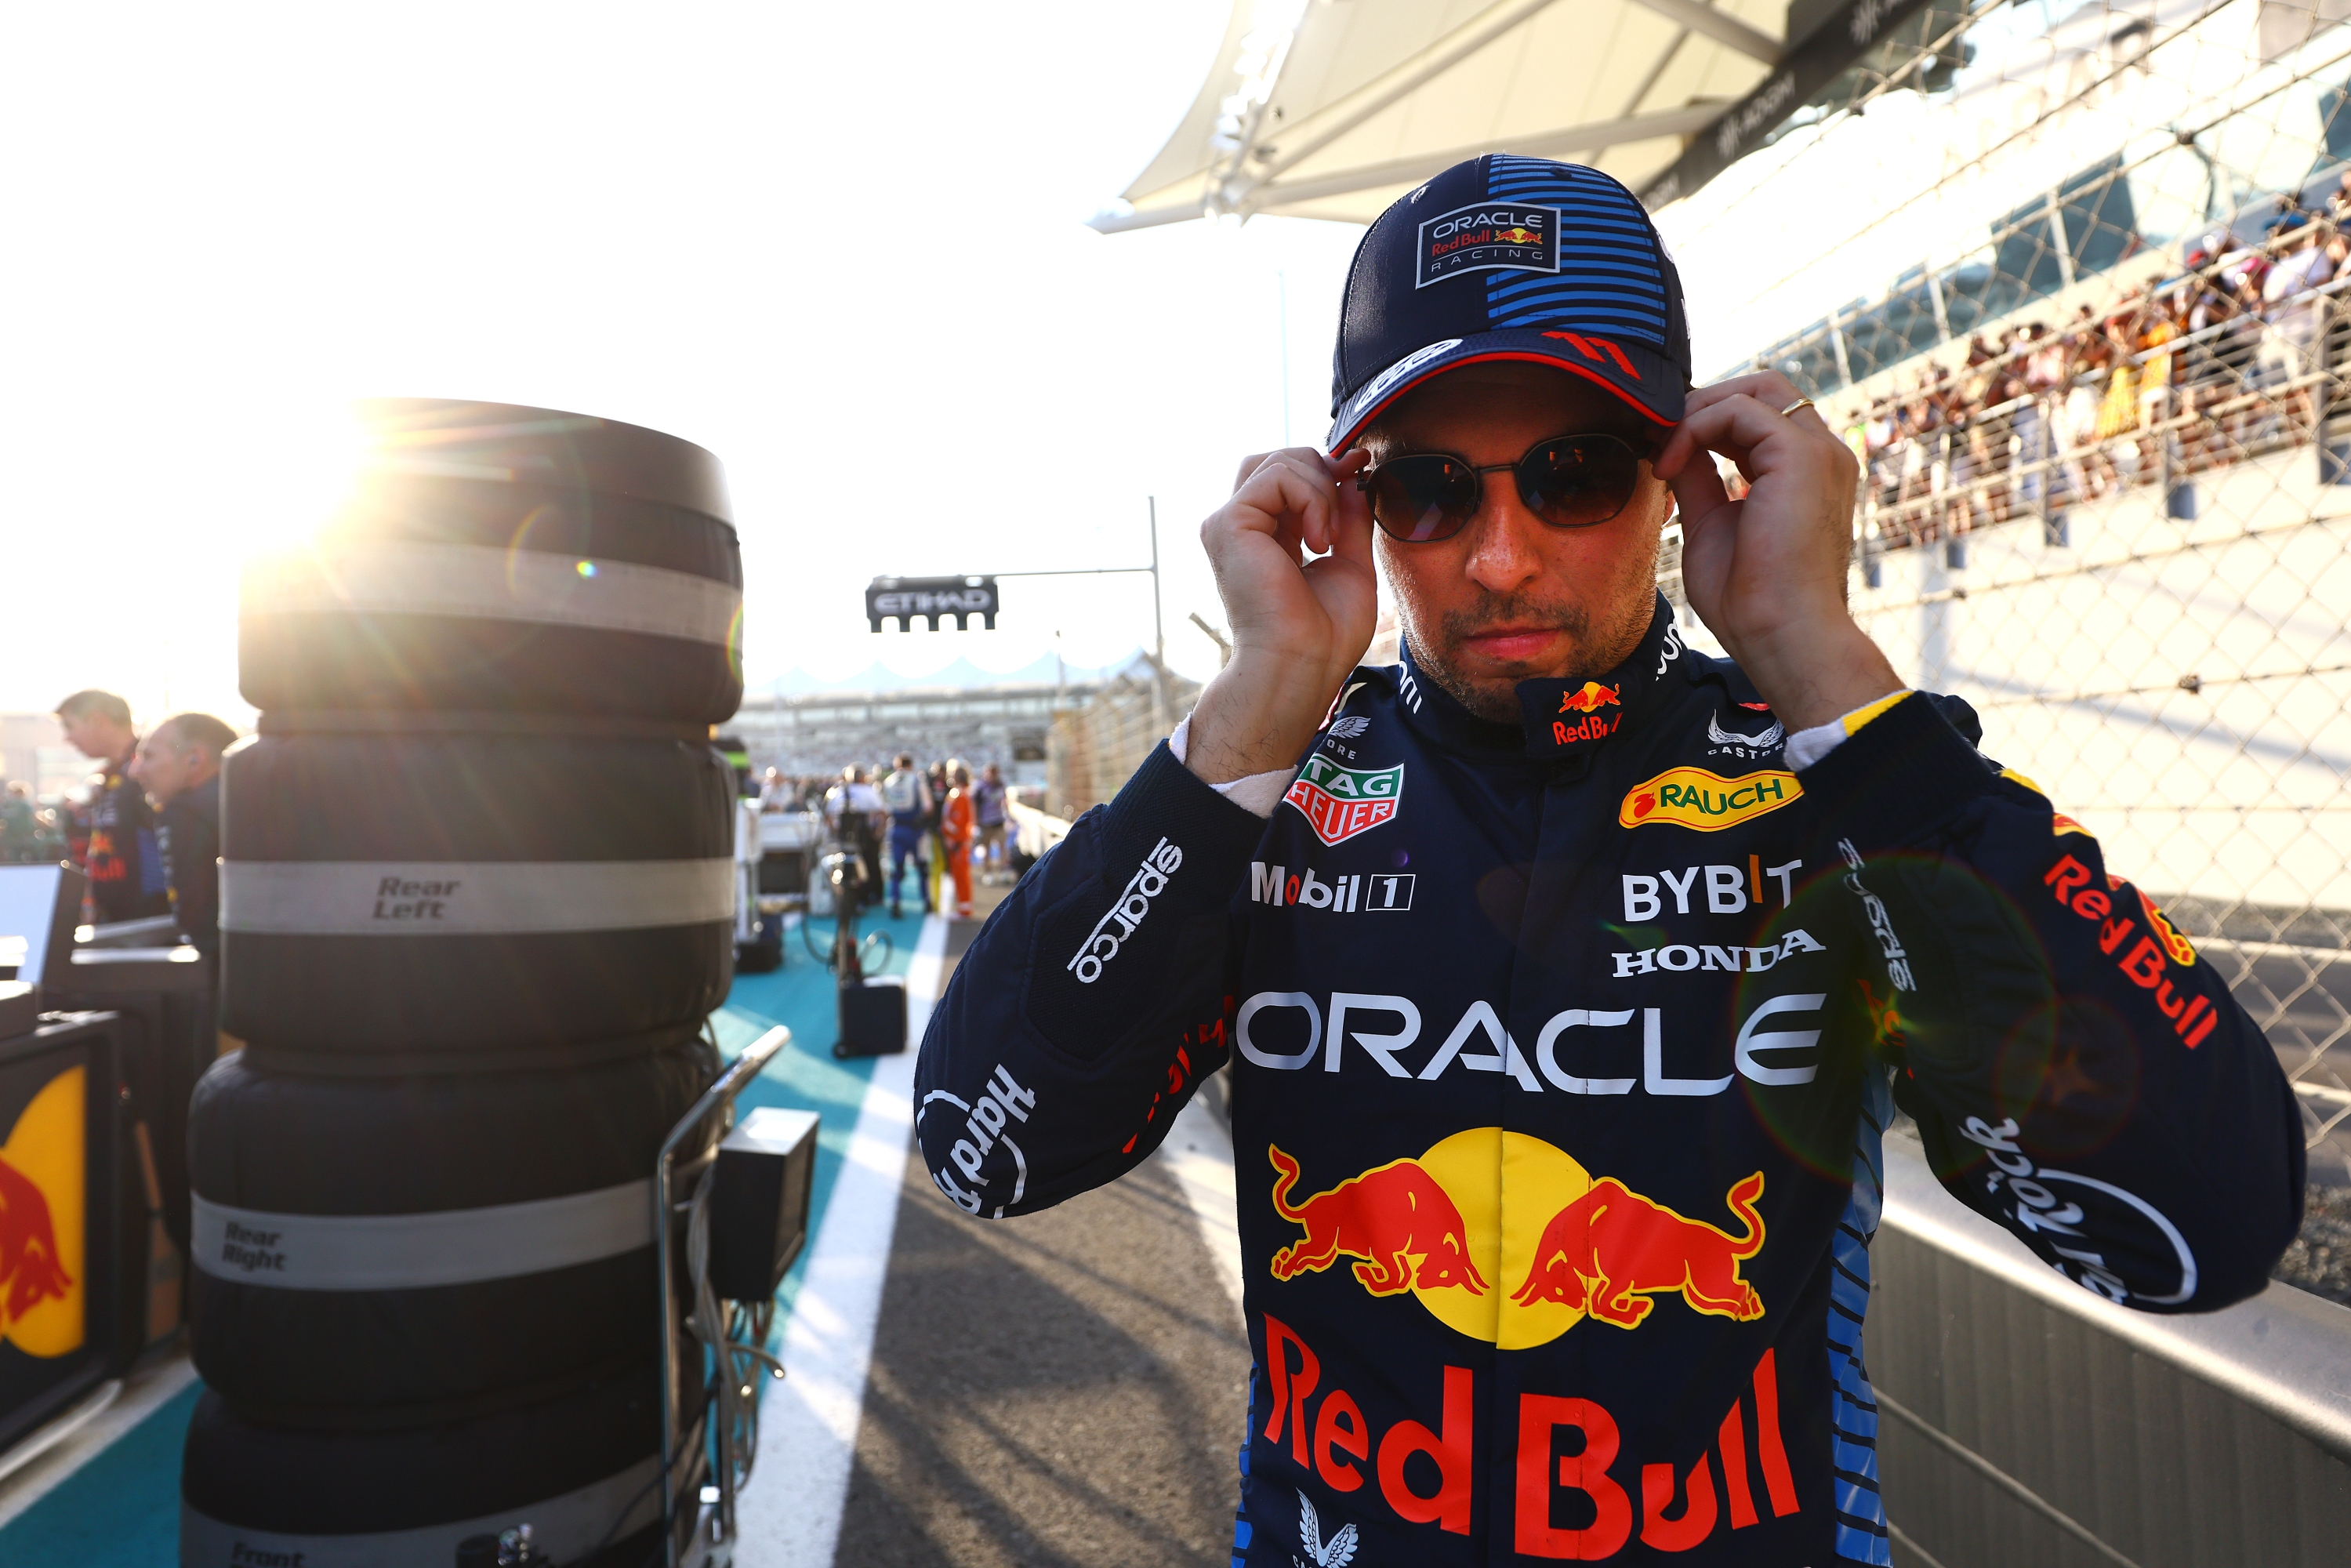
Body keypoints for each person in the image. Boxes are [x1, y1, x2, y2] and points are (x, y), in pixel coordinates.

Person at [914, 156, 2302, 1566]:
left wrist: (1816, 658)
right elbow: (987, 1145)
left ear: (1676, 480)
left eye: (1573, 473)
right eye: (1430, 490)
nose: (1500, 557)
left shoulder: (1834, 787)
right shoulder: (1269, 795)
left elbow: (2196, 1222)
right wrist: (1255, 701)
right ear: (1354, 503)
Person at [55, 689, 171, 924]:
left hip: (150, 920)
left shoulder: (147, 768)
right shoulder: (109, 775)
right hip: (115, 919)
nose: (67, 738)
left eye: (69, 726)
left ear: (96, 720)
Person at [129, 712, 235, 954]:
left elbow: (196, 918)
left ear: (194, 760)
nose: (135, 772)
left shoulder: (186, 812)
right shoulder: (249, 799)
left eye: (148, 756)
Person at [880, 753, 934, 919]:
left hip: (896, 829)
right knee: (922, 868)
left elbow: (885, 809)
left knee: (897, 869)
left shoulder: (888, 781)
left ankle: (895, 903)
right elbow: (928, 807)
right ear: (910, 765)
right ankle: (926, 902)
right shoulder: (917, 780)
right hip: (915, 831)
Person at [938, 760, 975, 920]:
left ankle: (964, 909)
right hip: (956, 842)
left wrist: (951, 837)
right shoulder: (959, 793)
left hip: (958, 843)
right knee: (959, 875)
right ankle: (963, 906)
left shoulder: (960, 794)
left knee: (962, 875)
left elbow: (957, 821)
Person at [971, 763, 1009, 883]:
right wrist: (975, 821)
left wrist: (1008, 814)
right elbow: (974, 804)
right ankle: (988, 872)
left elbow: (1004, 800)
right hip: (986, 822)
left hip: (999, 820)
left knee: (1003, 846)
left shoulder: (1000, 785)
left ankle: (1003, 871)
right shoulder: (980, 787)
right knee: (986, 848)